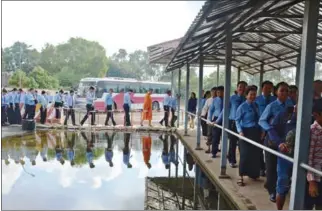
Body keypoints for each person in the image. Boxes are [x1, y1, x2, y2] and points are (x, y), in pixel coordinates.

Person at [259, 82, 292, 202]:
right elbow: (262, 120)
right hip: (272, 140)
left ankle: (282, 189)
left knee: (284, 166)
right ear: (276, 92)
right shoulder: (271, 106)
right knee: (271, 166)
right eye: (282, 90)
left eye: (287, 91)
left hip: (286, 139)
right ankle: (272, 190)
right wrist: (270, 130)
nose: (284, 93)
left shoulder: (290, 105)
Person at [235, 86, 261, 186]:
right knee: (244, 154)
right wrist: (240, 131)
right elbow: (237, 120)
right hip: (245, 132)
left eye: (254, 94)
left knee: (254, 154)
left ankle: (253, 174)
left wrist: (262, 131)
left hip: (255, 131)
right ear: (246, 95)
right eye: (251, 94)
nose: (253, 96)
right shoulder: (242, 107)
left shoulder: (256, 105)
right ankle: (240, 176)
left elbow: (259, 118)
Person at [275, 106, 297, 210]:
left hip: (302, 157)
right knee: (282, 184)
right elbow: (272, 129)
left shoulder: (311, 121)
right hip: (285, 157)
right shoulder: (283, 116)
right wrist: (279, 143)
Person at [255, 80, 276, 177]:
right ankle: (261, 168)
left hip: (272, 128)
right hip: (259, 127)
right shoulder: (257, 99)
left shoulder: (275, 99)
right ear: (262, 88)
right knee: (259, 148)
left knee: (271, 149)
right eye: (266, 88)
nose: (268, 90)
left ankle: (270, 169)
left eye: (270, 88)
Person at [305, 100, 322, 210]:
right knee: (309, 205)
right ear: (316, 115)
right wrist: (311, 181)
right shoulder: (313, 131)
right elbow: (309, 157)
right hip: (315, 177)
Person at [227, 81, 247, 168]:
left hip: (243, 124)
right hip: (233, 122)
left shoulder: (246, 99)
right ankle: (232, 160)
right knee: (233, 142)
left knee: (242, 143)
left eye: (243, 87)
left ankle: (243, 161)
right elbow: (226, 110)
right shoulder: (232, 98)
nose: (241, 89)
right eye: (240, 87)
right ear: (237, 88)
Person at [209, 86, 224, 158]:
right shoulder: (214, 100)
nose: (220, 94)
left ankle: (224, 151)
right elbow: (211, 110)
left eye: (221, 92)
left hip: (225, 119)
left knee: (225, 136)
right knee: (215, 136)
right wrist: (209, 119)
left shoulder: (227, 100)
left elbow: (224, 111)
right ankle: (214, 152)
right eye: (218, 92)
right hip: (216, 118)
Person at [201, 87, 217, 153]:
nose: (213, 93)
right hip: (210, 120)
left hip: (217, 120)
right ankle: (209, 148)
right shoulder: (208, 100)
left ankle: (215, 148)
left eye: (215, 92)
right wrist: (203, 114)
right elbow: (205, 108)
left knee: (216, 135)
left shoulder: (219, 100)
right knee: (209, 134)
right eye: (212, 92)